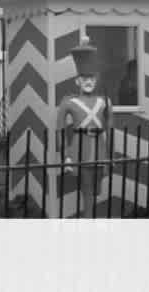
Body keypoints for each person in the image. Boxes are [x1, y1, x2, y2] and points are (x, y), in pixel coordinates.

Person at [56, 37, 111, 216]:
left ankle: (90, 216)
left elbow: (111, 130)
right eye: (84, 77)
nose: (88, 81)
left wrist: (111, 156)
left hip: (100, 150)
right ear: (77, 81)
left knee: (96, 189)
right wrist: (65, 154)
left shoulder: (105, 102)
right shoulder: (69, 102)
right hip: (80, 149)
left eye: (91, 78)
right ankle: (88, 219)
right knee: (87, 189)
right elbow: (60, 129)